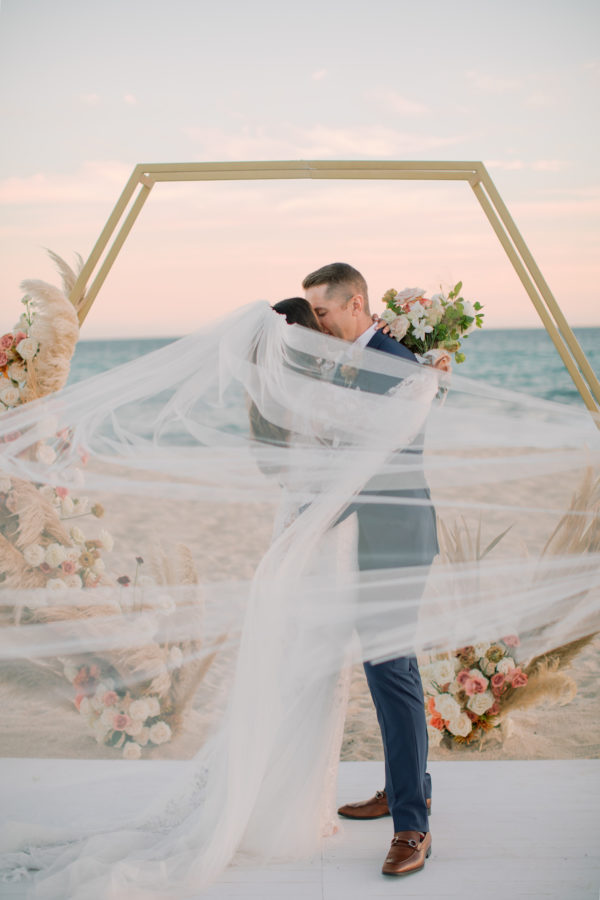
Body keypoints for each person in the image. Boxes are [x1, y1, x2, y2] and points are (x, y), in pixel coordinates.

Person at [304, 262, 438, 876]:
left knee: (391, 669)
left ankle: (413, 824)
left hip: (395, 538)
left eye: (324, 312)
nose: (317, 322)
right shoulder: (347, 359)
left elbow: (378, 458)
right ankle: (404, 788)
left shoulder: (399, 366)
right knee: (387, 666)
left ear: (355, 303)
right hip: (359, 539)